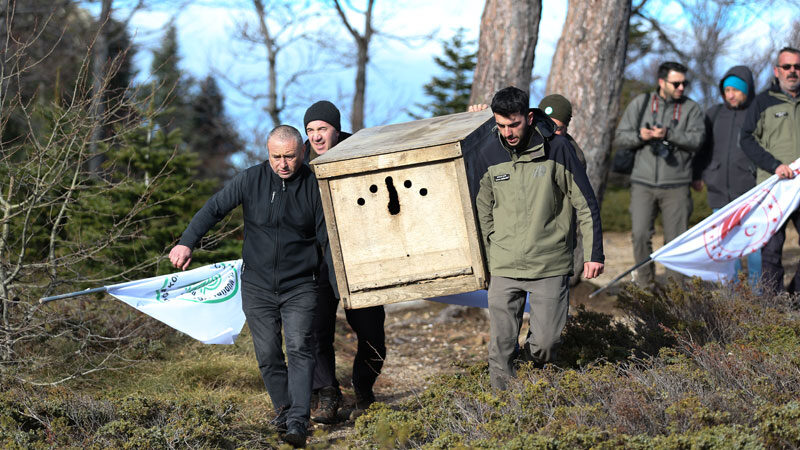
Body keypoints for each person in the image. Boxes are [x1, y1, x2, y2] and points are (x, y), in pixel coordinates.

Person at [169, 125, 334, 448]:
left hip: (301, 284)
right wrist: (187, 242)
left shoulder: (314, 186)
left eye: (289, 157)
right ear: (267, 153)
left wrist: (338, 279)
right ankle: (283, 411)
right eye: (276, 157)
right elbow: (214, 209)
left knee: (299, 347)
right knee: (268, 353)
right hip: (257, 285)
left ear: (302, 152)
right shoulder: (251, 180)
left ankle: (299, 421)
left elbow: (327, 237)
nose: (283, 164)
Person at [474, 86, 604, 390]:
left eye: (514, 124)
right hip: (504, 265)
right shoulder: (488, 153)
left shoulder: (558, 149)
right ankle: (502, 414)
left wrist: (594, 253)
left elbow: (585, 203)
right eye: (501, 125)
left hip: (549, 264)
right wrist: (487, 256)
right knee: (501, 348)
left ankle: (530, 377)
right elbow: (482, 212)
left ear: (529, 118)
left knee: (546, 344)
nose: (507, 132)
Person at [302, 100, 386, 423]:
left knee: (372, 331)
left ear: (335, 129)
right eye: (310, 131)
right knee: (315, 332)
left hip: (358, 259)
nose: (316, 137)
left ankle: (364, 390)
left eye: (322, 129)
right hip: (317, 264)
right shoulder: (302, 166)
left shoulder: (359, 153)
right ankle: (327, 394)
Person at [613, 61, 705, 286]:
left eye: (684, 83)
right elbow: (620, 137)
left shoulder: (691, 108)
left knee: (676, 242)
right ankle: (646, 288)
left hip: (677, 184)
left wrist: (669, 134)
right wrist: (640, 136)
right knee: (640, 236)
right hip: (643, 184)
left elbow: (697, 140)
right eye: (676, 83)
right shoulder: (641, 103)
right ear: (661, 82)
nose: (681, 87)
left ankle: (676, 295)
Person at [693, 65, 761, 286]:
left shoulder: (758, 112)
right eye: (726, 90)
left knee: (755, 249)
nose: (729, 95)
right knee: (726, 249)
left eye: (735, 90)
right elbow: (702, 148)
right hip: (719, 192)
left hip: (751, 192)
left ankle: (759, 296)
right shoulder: (713, 113)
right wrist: (698, 174)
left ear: (747, 90)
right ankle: (730, 300)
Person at [741, 47, 800, 294]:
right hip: (774, 187)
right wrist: (774, 165)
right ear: (777, 70)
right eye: (787, 67)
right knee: (771, 252)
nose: (792, 72)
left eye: (797, 66)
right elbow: (746, 139)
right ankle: (773, 310)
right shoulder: (762, 102)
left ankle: (795, 297)